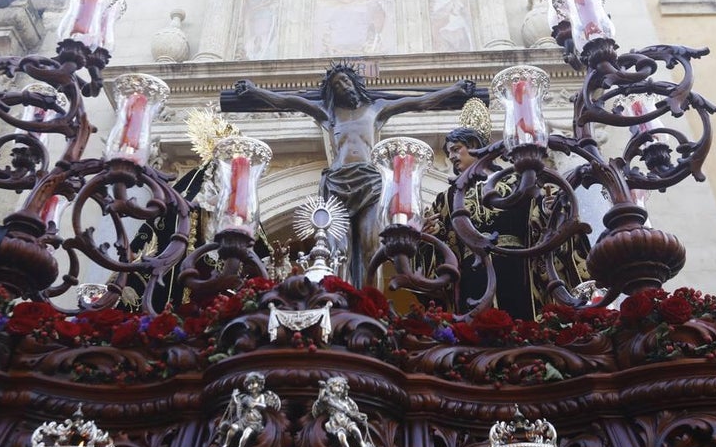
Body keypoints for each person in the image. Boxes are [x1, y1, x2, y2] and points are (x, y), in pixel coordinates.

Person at [232, 64, 475, 287]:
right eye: (336, 85)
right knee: (338, 251)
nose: (343, 87)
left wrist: (454, 89)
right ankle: (341, 300)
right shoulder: (328, 114)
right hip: (337, 183)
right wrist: (254, 91)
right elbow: (286, 102)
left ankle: (371, 305)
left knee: (373, 246)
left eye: (345, 81)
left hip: (369, 182)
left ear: (355, 83)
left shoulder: (376, 108)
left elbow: (418, 102)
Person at [425, 111, 590, 320]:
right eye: (449, 153)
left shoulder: (517, 179)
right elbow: (442, 246)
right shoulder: (447, 198)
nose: (452, 157)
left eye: (456, 149)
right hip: (472, 272)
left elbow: (540, 219)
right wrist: (427, 237)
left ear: (475, 145)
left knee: (520, 320)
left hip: (515, 266)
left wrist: (551, 212)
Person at [311, 376, 377, 447]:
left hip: (346, 420)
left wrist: (359, 416)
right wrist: (322, 389)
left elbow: (352, 412)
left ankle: (362, 444)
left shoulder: (346, 401)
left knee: (355, 429)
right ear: (331, 388)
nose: (340, 388)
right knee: (342, 437)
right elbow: (321, 400)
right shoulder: (329, 399)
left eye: (342, 387)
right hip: (336, 422)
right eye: (338, 386)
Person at [217, 372, 281, 447]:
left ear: (260, 384)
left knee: (246, 433)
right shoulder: (246, 398)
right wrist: (234, 398)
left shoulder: (261, 396)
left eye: (253, 383)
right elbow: (239, 406)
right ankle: (226, 444)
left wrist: (255, 404)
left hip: (255, 422)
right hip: (244, 420)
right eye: (249, 384)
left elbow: (264, 406)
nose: (251, 386)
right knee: (233, 427)